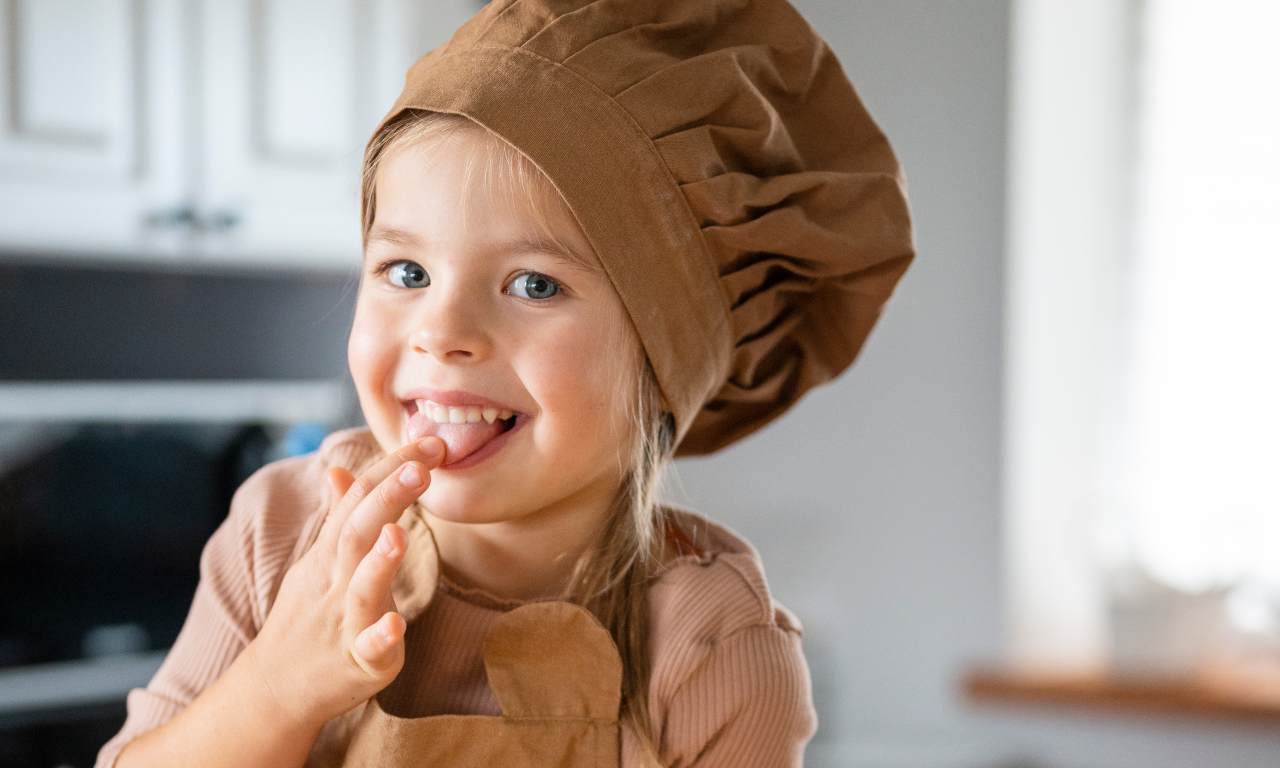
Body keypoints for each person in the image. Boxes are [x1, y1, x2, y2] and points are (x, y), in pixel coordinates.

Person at [96, 0, 915, 765]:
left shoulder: (711, 645)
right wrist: (281, 684)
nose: (441, 333)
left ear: (663, 359)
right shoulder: (280, 532)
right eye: (407, 270)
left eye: (533, 285)